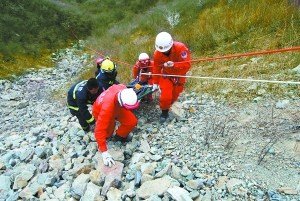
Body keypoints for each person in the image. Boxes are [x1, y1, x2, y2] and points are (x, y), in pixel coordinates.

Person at [92, 84, 139, 167]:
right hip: (100, 111)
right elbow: (99, 130)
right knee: (107, 133)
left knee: (132, 121)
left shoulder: (123, 90)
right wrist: (104, 152)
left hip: (117, 107)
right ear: (122, 103)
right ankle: (108, 137)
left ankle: (119, 137)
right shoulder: (106, 109)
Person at [152, 32, 191, 123]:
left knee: (175, 95)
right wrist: (155, 82)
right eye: (162, 51)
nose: (164, 52)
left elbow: (187, 65)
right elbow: (156, 68)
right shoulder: (157, 54)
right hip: (167, 75)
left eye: (166, 50)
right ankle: (164, 112)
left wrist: (174, 65)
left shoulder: (181, 48)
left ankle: (171, 105)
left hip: (180, 76)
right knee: (166, 96)